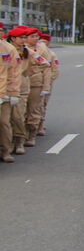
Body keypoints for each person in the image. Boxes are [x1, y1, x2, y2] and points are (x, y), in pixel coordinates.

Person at [23, 28, 51, 148]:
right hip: (22, 83)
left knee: (34, 109)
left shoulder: (42, 49)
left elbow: (47, 68)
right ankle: (22, 134)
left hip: (36, 83)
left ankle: (31, 135)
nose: (35, 39)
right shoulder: (20, 48)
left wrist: (46, 85)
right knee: (21, 111)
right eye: (32, 36)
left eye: (36, 36)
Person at [0, 23, 21, 162]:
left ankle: (6, 151)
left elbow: (14, 72)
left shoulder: (8, 49)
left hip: (4, 93)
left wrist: (13, 93)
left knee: (3, 123)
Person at [8, 27, 30, 156]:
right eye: (21, 37)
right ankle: (8, 143)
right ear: (13, 38)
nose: (23, 40)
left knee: (18, 117)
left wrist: (27, 75)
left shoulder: (27, 51)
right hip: (6, 88)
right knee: (6, 119)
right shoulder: (7, 50)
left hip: (20, 89)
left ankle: (19, 141)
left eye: (24, 37)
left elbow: (43, 62)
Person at [36, 33, 58, 136]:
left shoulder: (52, 54)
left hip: (46, 83)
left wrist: (48, 81)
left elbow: (54, 70)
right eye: (41, 41)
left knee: (42, 105)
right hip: (34, 83)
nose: (43, 44)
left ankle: (40, 125)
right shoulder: (34, 51)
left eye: (45, 42)